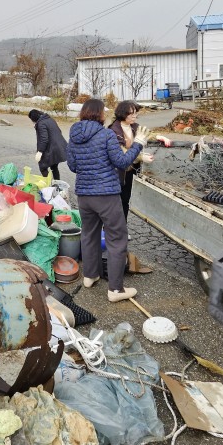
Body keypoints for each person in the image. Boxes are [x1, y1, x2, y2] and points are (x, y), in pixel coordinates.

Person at [66, 98, 149, 303]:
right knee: (117, 239)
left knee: (89, 235)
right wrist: (138, 143)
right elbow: (122, 162)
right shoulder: (106, 135)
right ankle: (116, 289)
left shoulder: (74, 135)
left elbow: (73, 166)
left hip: (84, 196)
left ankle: (90, 276)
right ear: (99, 114)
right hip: (106, 195)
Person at [108, 101, 155, 219]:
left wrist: (160, 137)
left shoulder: (134, 126)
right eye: (131, 114)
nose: (135, 116)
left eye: (136, 113)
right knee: (117, 201)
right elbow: (121, 152)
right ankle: (113, 226)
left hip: (131, 170)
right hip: (119, 172)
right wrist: (141, 157)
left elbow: (148, 134)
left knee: (126, 200)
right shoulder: (113, 130)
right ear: (122, 114)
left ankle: (122, 225)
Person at [28, 109, 67, 180]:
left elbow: (44, 139)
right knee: (54, 167)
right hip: (59, 147)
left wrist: (40, 151)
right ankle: (57, 183)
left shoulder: (41, 124)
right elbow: (59, 131)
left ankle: (48, 183)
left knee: (43, 167)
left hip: (52, 148)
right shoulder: (50, 119)